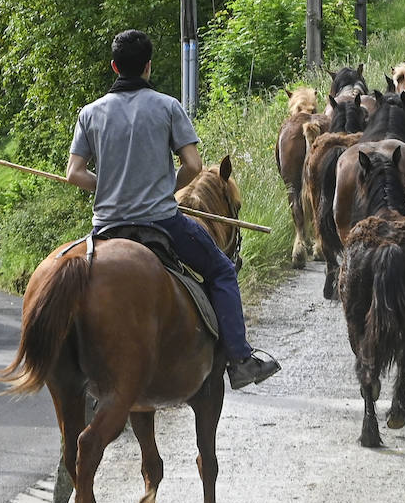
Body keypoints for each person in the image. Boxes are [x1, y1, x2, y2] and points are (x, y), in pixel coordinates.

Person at [66, 29, 280, 390]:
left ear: (114, 66)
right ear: (149, 66)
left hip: (106, 228)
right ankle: (241, 360)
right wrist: (166, 189)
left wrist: (106, 185)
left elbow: (74, 173)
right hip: (162, 223)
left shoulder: (90, 113)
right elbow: (195, 166)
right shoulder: (168, 107)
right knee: (223, 271)